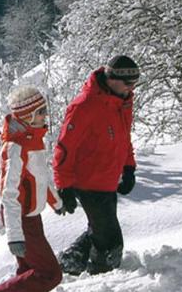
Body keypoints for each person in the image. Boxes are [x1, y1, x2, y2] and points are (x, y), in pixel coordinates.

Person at [52, 55, 139, 276]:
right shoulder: (85, 106)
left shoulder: (122, 102)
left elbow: (123, 138)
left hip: (108, 180)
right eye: (128, 83)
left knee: (99, 230)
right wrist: (64, 185)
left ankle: (68, 264)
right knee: (110, 240)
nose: (132, 87)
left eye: (136, 82)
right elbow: (64, 147)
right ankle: (102, 278)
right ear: (111, 78)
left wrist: (129, 168)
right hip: (87, 181)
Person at [0, 86, 63, 292]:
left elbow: (40, 179)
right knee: (50, 273)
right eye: (41, 111)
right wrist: (15, 236)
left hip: (31, 215)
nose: (45, 115)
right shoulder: (15, 148)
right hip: (19, 217)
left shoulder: (33, 140)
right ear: (28, 116)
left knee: (29, 270)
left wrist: (55, 202)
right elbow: (8, 195)